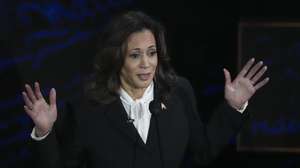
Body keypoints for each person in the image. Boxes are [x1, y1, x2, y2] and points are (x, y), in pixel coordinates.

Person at [22, 11, 269, 168]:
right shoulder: (88, 107)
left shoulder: (178, 92)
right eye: (135, 55)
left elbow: (202, 152)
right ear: (117, 59)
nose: (146, 64)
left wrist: (233, 108)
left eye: (151, 53)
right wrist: (44, 133)